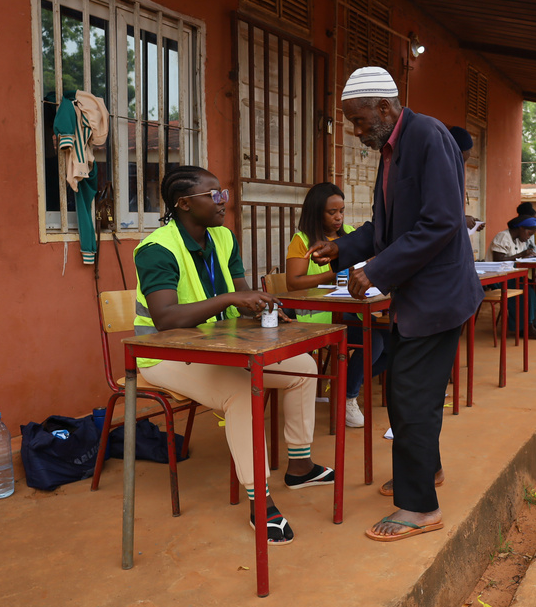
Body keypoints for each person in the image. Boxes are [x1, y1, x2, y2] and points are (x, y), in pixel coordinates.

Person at [307, 66, 483, 541]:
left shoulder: (427, 136)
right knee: (412, 395)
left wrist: (377, 271)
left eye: (361, 122)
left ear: (385, 108)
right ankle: (426, 472)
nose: (358, 133)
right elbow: (385, 231)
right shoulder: (394, 148)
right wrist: (343, 249)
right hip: (418, 298)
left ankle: (420, 507)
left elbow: (441, 223)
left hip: (438, 298)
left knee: (410, 396)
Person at [133, 165, 334, 546]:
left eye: (222, 192)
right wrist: (230, 298)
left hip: (219, 349)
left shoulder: (222, 238)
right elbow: (165, 318)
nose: (223, 200)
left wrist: (260, 306)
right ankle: (261, 502)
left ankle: (301, 465)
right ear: (184, 204)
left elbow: (241, 296)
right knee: (242, 389)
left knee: (302, 367)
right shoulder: (157, 249)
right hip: (165, 356)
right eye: (213, 195)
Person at [285, 182, 387, 429]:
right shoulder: (303, 240)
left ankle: (344, 386)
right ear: (316, 211)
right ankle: (348, 397)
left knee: (389, 339)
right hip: (315, 316)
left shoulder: (351, 235)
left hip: (349, 311)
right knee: (372, 340)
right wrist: (334, 273)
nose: (339, 217)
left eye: (341, 210)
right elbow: (293, 283)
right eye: (332, 212)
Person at [488, 215, 536, 340]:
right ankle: (525, 327)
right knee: (528, 292)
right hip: (499, 278)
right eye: (528, 233)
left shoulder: (522, 241)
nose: (528, 237)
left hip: (515, 277)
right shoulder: (503, 237)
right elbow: (498, 260)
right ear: (520, 228)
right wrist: (521, 255)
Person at [449, 126, 484, 232]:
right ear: (462, 151)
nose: (470, 154)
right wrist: (463, 221)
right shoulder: (446, 172)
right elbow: (438, 213)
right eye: (469, 150)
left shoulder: (453, 169)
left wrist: (468, 221)